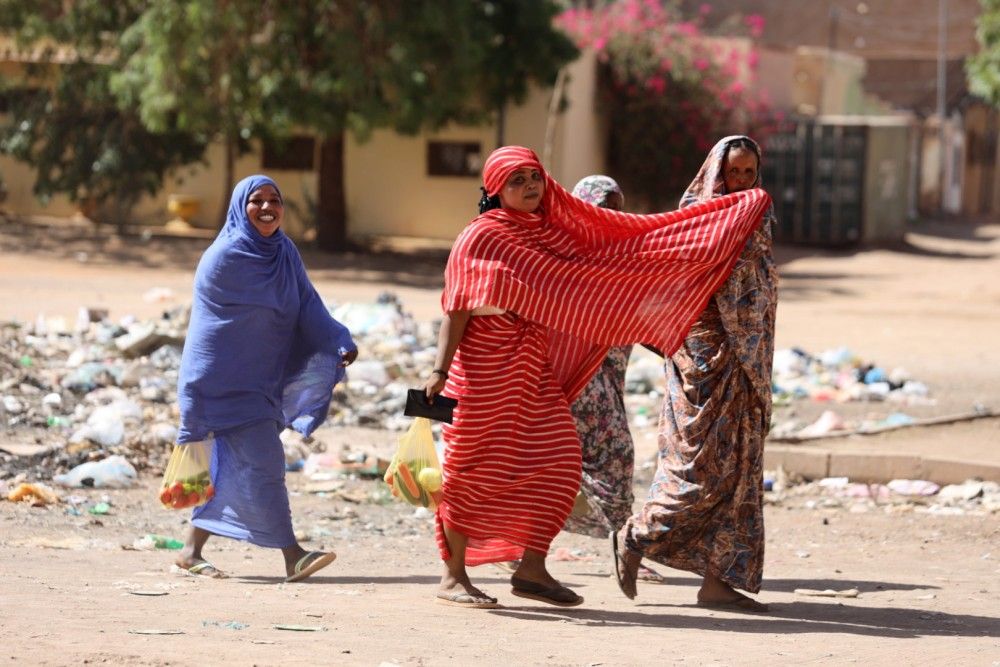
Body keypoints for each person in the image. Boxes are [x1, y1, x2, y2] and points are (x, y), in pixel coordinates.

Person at [423, 146, 771, 609]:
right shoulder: (481, 237)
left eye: (535, 176)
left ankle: (531, 568)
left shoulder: (550, 235)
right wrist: (438, 370)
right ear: (494, 189)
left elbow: (607, 263)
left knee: (561, 460)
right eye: (516, 180)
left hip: (531, 368)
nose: (529, 186)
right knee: (472, 472)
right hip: (484, 372)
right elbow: (458, 309)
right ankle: (454, 576)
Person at [611, 136, 777, 612]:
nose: (741, 183)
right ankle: (635, 535)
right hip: (704, 363)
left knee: (739, 472)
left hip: (746, 367)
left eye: (748, 173)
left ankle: (718, 581)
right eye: (732, 174)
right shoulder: (695, 223)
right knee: (698, 469)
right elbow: (669, 286)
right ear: (713, 174)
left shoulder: (758, 219)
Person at [174, 174, 358, 582]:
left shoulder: (284, 252)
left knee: (235, 467)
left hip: (261, 380)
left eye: (274, 200)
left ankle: (189, 551)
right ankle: (293, 555)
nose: (266, 207)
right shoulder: (223, 256)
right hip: (219, 381)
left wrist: (336, 338)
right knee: (265, 463)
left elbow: (306, 302)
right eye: (256, 200)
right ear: (241, 207)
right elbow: (219, 327)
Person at [494, 175, 665, 584]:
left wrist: (673, 346)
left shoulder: (622, 257)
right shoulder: (565, 254)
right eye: (603, 204)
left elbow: (638, 317)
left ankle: (616, 546)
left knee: (603, 464)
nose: (612, 213)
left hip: (607, 381)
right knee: (585, 462)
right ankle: (527, 550)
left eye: (617, 205)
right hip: (571, 381)